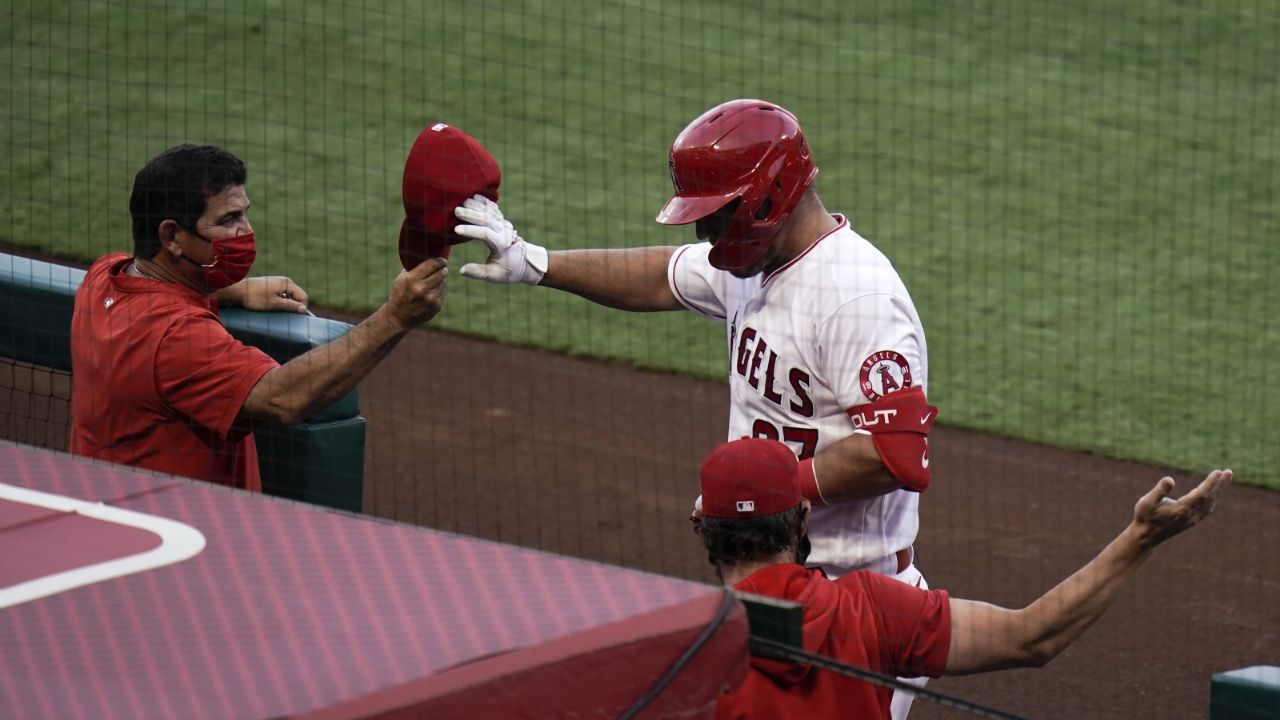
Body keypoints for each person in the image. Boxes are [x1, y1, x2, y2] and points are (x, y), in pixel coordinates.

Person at [454, 99, 936, 715]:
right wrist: (533, 261)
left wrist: (761, 494)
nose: (706, 235)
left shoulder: (857, 297)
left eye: (717, 216)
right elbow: (660, 275)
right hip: (773, 585)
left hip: (855, 603)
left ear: (770, 196)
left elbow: (898, 455)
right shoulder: (752, 264)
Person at [695, 437, 1231, 720]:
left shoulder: (681, 647)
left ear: (704, 529)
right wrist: (1141, 538)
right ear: (803, 519)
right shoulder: (872, 609)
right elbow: (1033, 634)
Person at [70, 143, 449, 491]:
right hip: (187, 540)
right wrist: (395, 317)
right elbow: (284, 398)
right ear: (171, 236)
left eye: (245, 215)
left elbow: (158, 290)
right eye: (228, 219)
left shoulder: (104, 276)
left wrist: (231, 289)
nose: (245, 232)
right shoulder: (176, 338)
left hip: (105, 512)